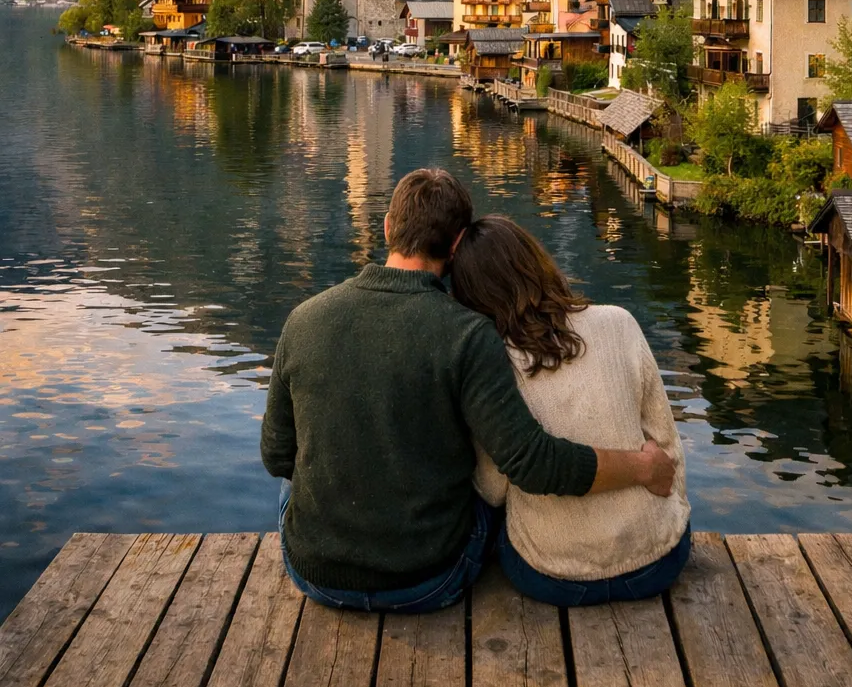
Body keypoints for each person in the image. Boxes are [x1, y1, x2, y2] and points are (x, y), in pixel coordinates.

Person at [260, 168, 675, 613]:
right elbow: (529, 463)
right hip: (430, 579)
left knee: (295, 474)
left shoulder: (303, 319)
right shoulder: (470, 334)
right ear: (458, 245)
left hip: (317, 576)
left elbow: (277, 457)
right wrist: (641, 467)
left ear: (387, 227)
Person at [450, 215, 690, 607]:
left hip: (553, 576)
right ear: (535, 261)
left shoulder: (496, 364)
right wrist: (670, 518)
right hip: (657, 562)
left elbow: (493, 488)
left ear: (472, 297)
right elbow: (667, 444)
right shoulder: (620, 322)